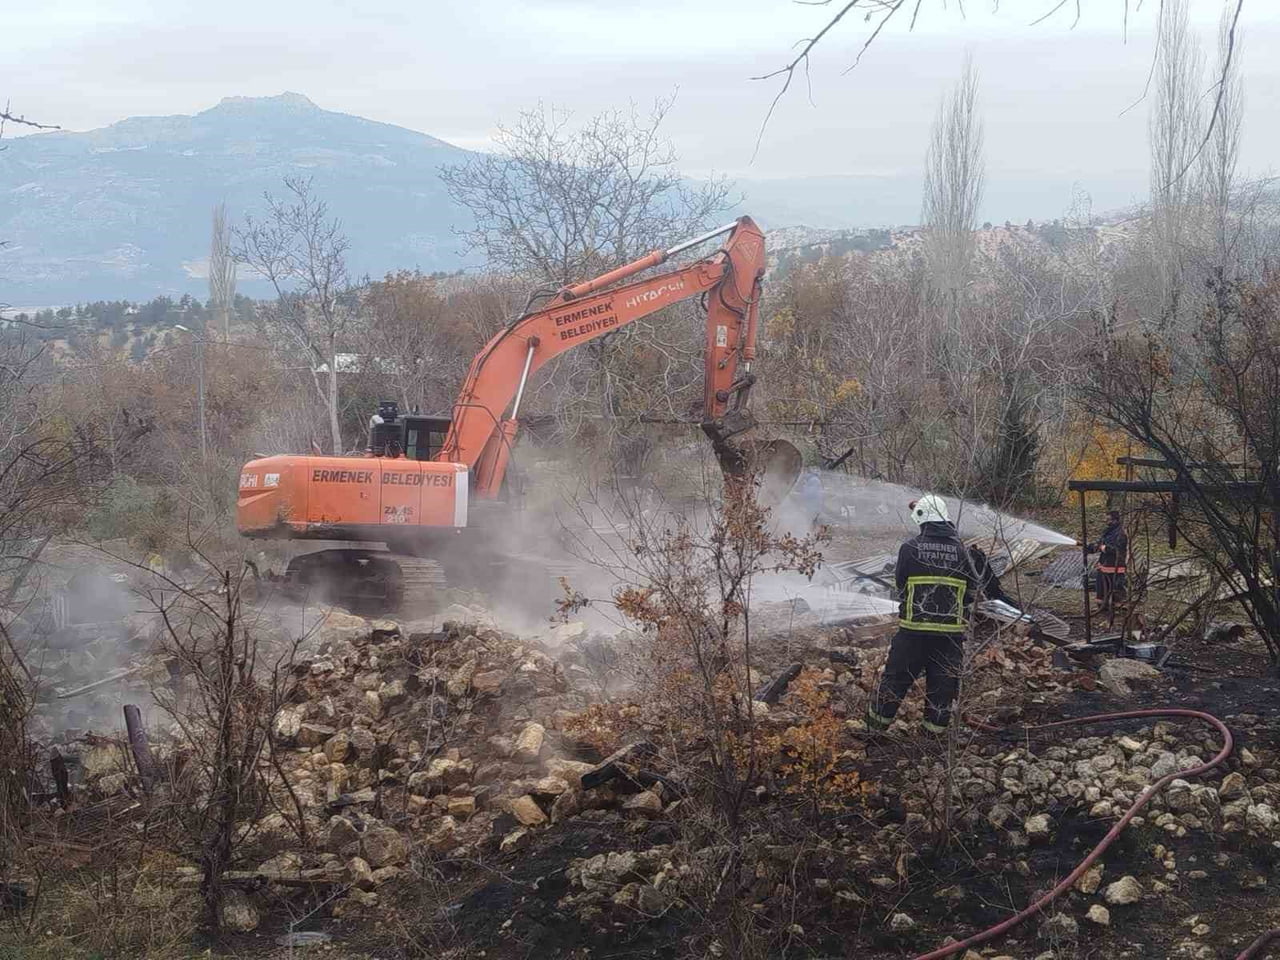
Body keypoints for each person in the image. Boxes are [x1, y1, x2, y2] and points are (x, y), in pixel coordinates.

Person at [867, 493, 1013, 736]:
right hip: (950, 635)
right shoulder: (963, 552)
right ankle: (932, 737)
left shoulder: (909, 549)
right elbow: (970, 592)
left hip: (913, 632)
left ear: (923, 519)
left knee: (896, 680)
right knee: (943, 686)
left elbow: (901, 585)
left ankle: (873, 732)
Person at [1088, 510, 1128, 611]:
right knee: (1101, 586)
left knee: (1116, 587)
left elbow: (1117, 549)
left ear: (1115, 520)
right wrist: (1092, 547)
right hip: (1105, 565)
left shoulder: (1120, 533)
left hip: (1115, 565)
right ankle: (1103, 606)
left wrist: (1104, 548)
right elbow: (1101, 543)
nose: (1106, 521)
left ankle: (1118, 607)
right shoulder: (1108, 531)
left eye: (1109, 519)